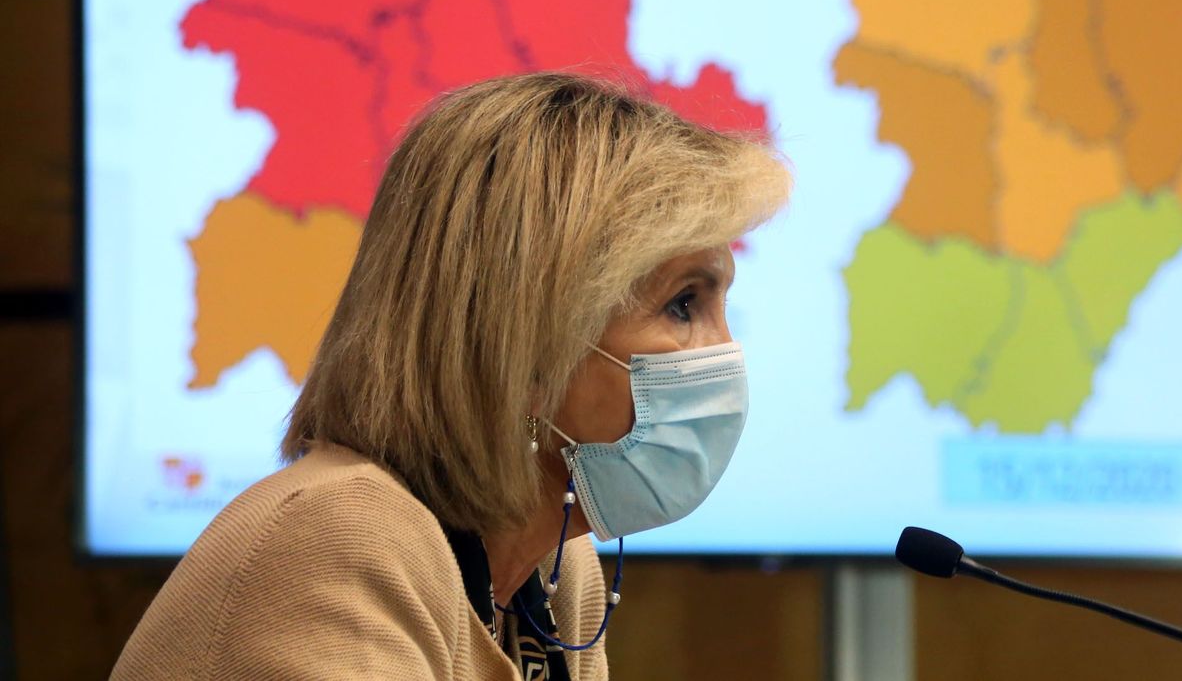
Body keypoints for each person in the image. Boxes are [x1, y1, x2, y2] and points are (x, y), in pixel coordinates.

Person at [111, 72, 792, 680]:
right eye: (684, 305)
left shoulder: (554, 577)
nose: (724, 350)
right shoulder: (339, 541)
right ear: (527, 338)